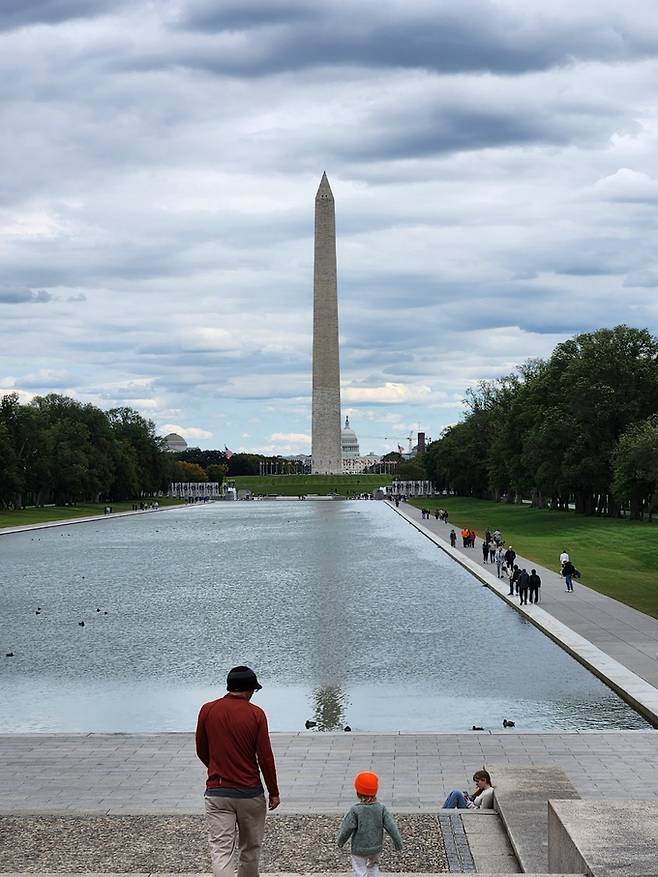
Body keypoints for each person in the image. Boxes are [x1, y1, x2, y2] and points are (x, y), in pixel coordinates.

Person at [196, 666, 280, 877]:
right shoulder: (256, 714)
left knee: (221, 850)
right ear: (249, 689)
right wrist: (274, 791)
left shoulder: (207, 710)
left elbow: (201, 749)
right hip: (250, 792)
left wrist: (217, 768)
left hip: (217, 792)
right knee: (250, 849)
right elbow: (265, 758)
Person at [337, 771, 403, 877]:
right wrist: (398, 843)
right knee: (373, 867)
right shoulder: (381, 809)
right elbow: (392, 827)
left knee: (359, 870)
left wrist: (341, 841)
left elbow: (347, 828)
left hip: (359, 848)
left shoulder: (355, 810)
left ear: (358, 792)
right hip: (376, 848)